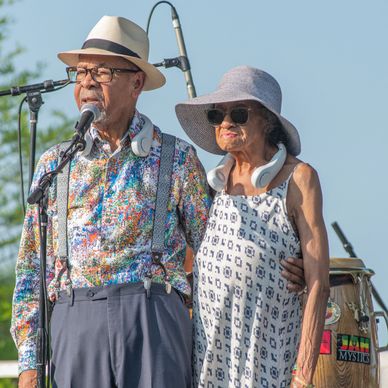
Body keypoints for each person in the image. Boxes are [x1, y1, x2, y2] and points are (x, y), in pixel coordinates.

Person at [11, 16, 306, 388]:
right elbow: (30, 272)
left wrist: (279, 266)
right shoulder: (56, 164)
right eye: (80, 73)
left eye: (101, 72)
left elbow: (216, 251)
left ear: (136, 82)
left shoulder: (176, 158)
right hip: (75, 321)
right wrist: (29, 364)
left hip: (154, 318)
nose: (86, 83)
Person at [175, 66, 330, 388]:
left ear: (268, 121)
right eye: (218, 114)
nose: (227, 122)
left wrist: (303, 375)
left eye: (240, 113)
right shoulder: (210, 187)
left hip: (270, 359)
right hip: (207, 362)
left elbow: (318, 284)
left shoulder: (298, 179)